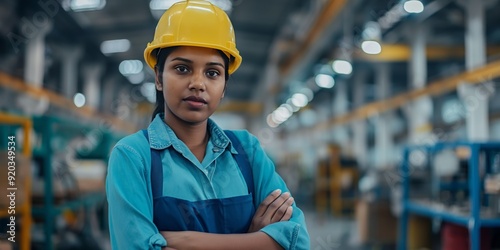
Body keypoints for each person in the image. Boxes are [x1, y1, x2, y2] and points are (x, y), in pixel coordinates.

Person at [105, 1, 310, 249]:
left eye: (212, 73)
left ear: (224, 86)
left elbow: (297, 240)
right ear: (158, 78)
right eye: (182, 69)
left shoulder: (247, 151)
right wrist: (253, 240)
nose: (198, 84)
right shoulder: (133, 157)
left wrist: (186, 240)